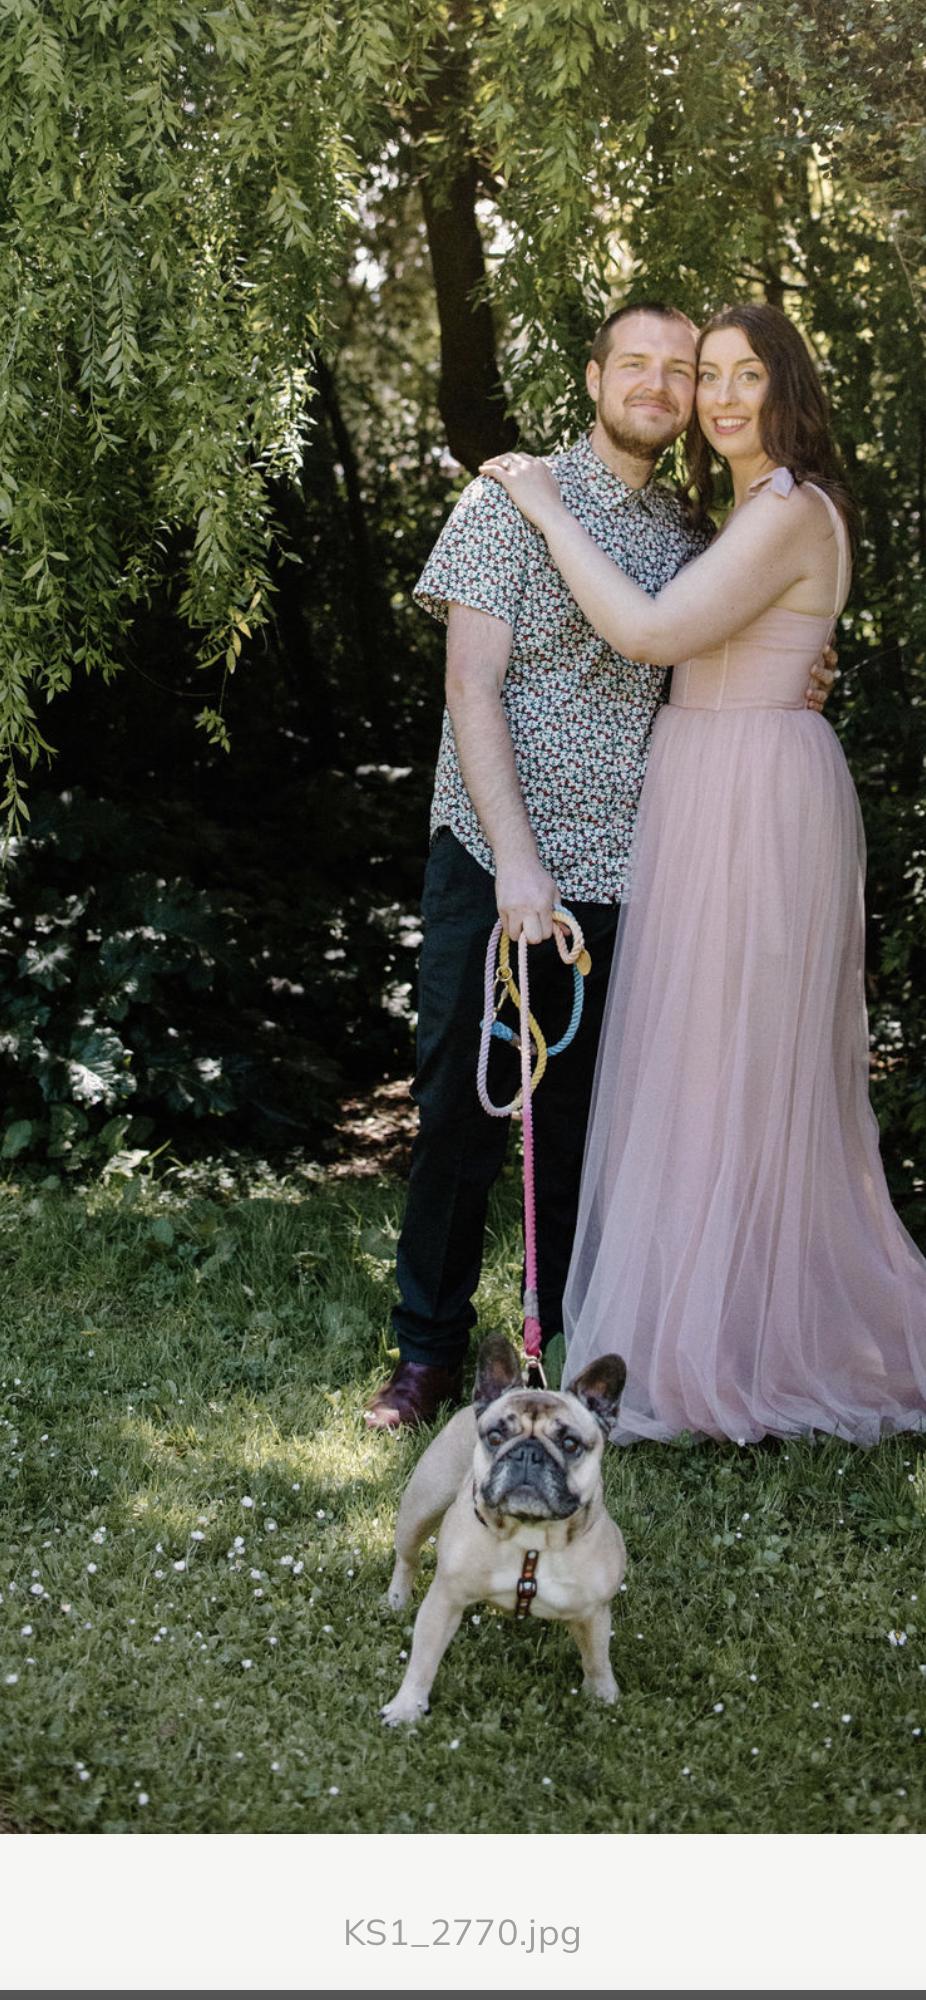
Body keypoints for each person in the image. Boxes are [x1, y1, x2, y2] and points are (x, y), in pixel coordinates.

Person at [365, 301, 833, 1431]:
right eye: (639, 364)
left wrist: (808, 679)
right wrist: (517, 865)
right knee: (459, 1113)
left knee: (592, 1129)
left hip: (635, 873)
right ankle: (427, 1353)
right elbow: (470, 686)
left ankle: (576, 1350)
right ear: (593, 377)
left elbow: (731, 646)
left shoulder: (694, 530)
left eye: (683, 370)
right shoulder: (508, 501)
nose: (662, 387)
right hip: (501, 861)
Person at [482, 302, 926, 1445]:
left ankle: (738, 1346)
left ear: (788, 388)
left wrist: (544, 505)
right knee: (699, 1064)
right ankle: (715, 1326)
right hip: (708, 781)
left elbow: (646, 634)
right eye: (708, 376)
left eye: (746, 375)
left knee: (735, 1063)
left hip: (748, 797)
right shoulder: (747, 509)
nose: (722, 398)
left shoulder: (785, 507)